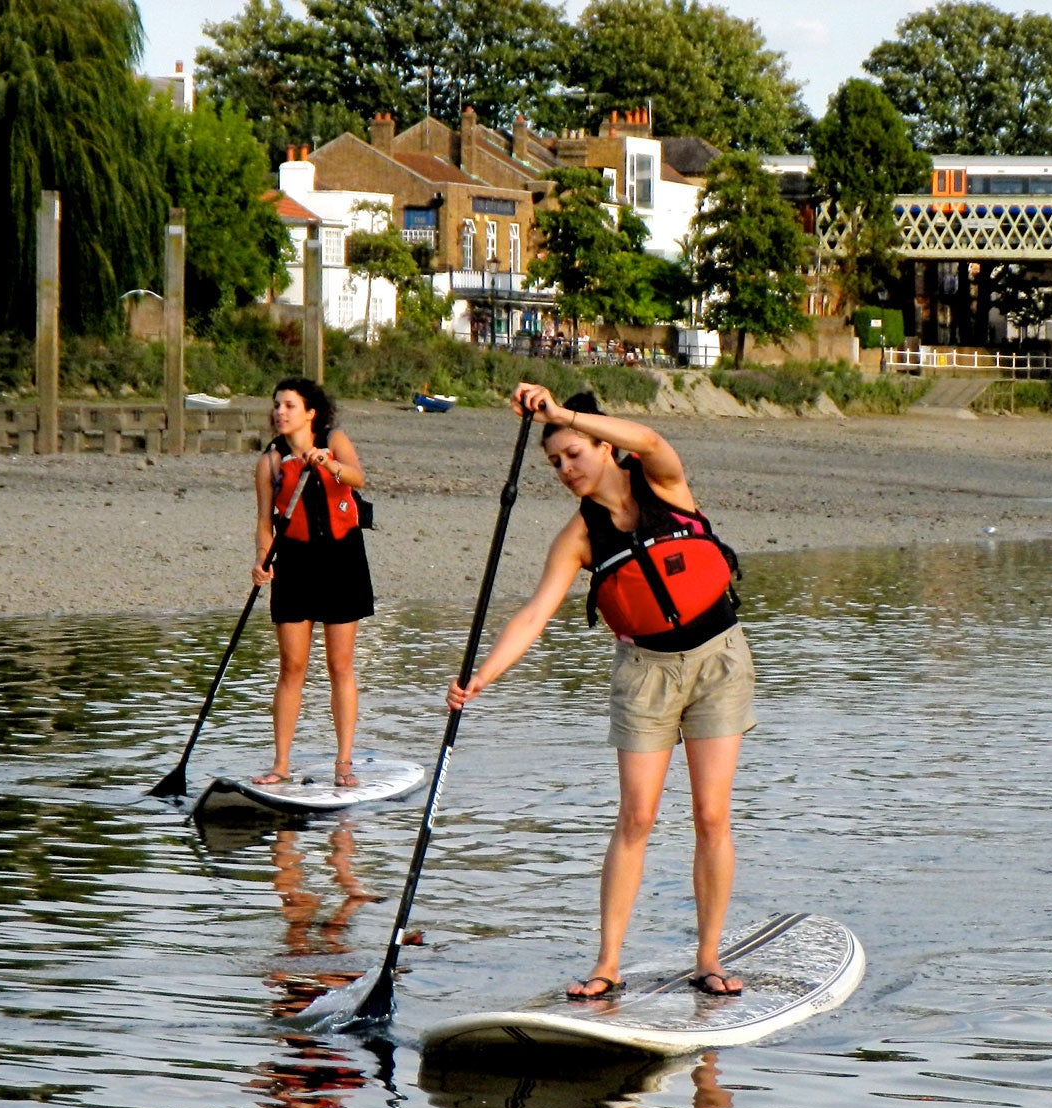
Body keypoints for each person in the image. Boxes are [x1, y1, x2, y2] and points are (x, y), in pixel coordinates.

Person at [447, 384, 753, 998]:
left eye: (573, 454)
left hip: (718, 659)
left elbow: (651, 439)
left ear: (603, 446)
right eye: (554, 462)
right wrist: (482, 676)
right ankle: (607, 963)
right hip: (644, 674)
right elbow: (534, 615)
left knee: (711, 814)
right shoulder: (579, 537)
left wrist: (561, 413)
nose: (564, 470)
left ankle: (709, 957)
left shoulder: (661, 482)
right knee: (636, 817)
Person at [252, 376, 372, 787]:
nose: (280, 412)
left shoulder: (334, 439)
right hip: (296, 563)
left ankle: (343, 763)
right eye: (277, 405)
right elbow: (265, 523)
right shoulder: (269, 462)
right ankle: (281, 764)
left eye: (288, 405)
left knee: (340, 665)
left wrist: (328, 463)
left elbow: (358, 478)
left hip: (342, 558)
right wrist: (261, 561)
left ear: (310, 412)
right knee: (292, 667)